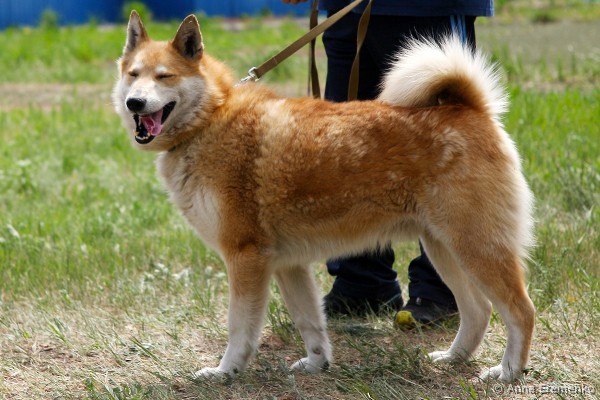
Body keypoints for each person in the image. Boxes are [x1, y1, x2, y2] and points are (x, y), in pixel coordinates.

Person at [281, 0, 493, 326]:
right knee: (348, 149)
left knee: (438, 151)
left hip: (425, 9)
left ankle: (441, 291)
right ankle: (363, 281)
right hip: (346, 8)